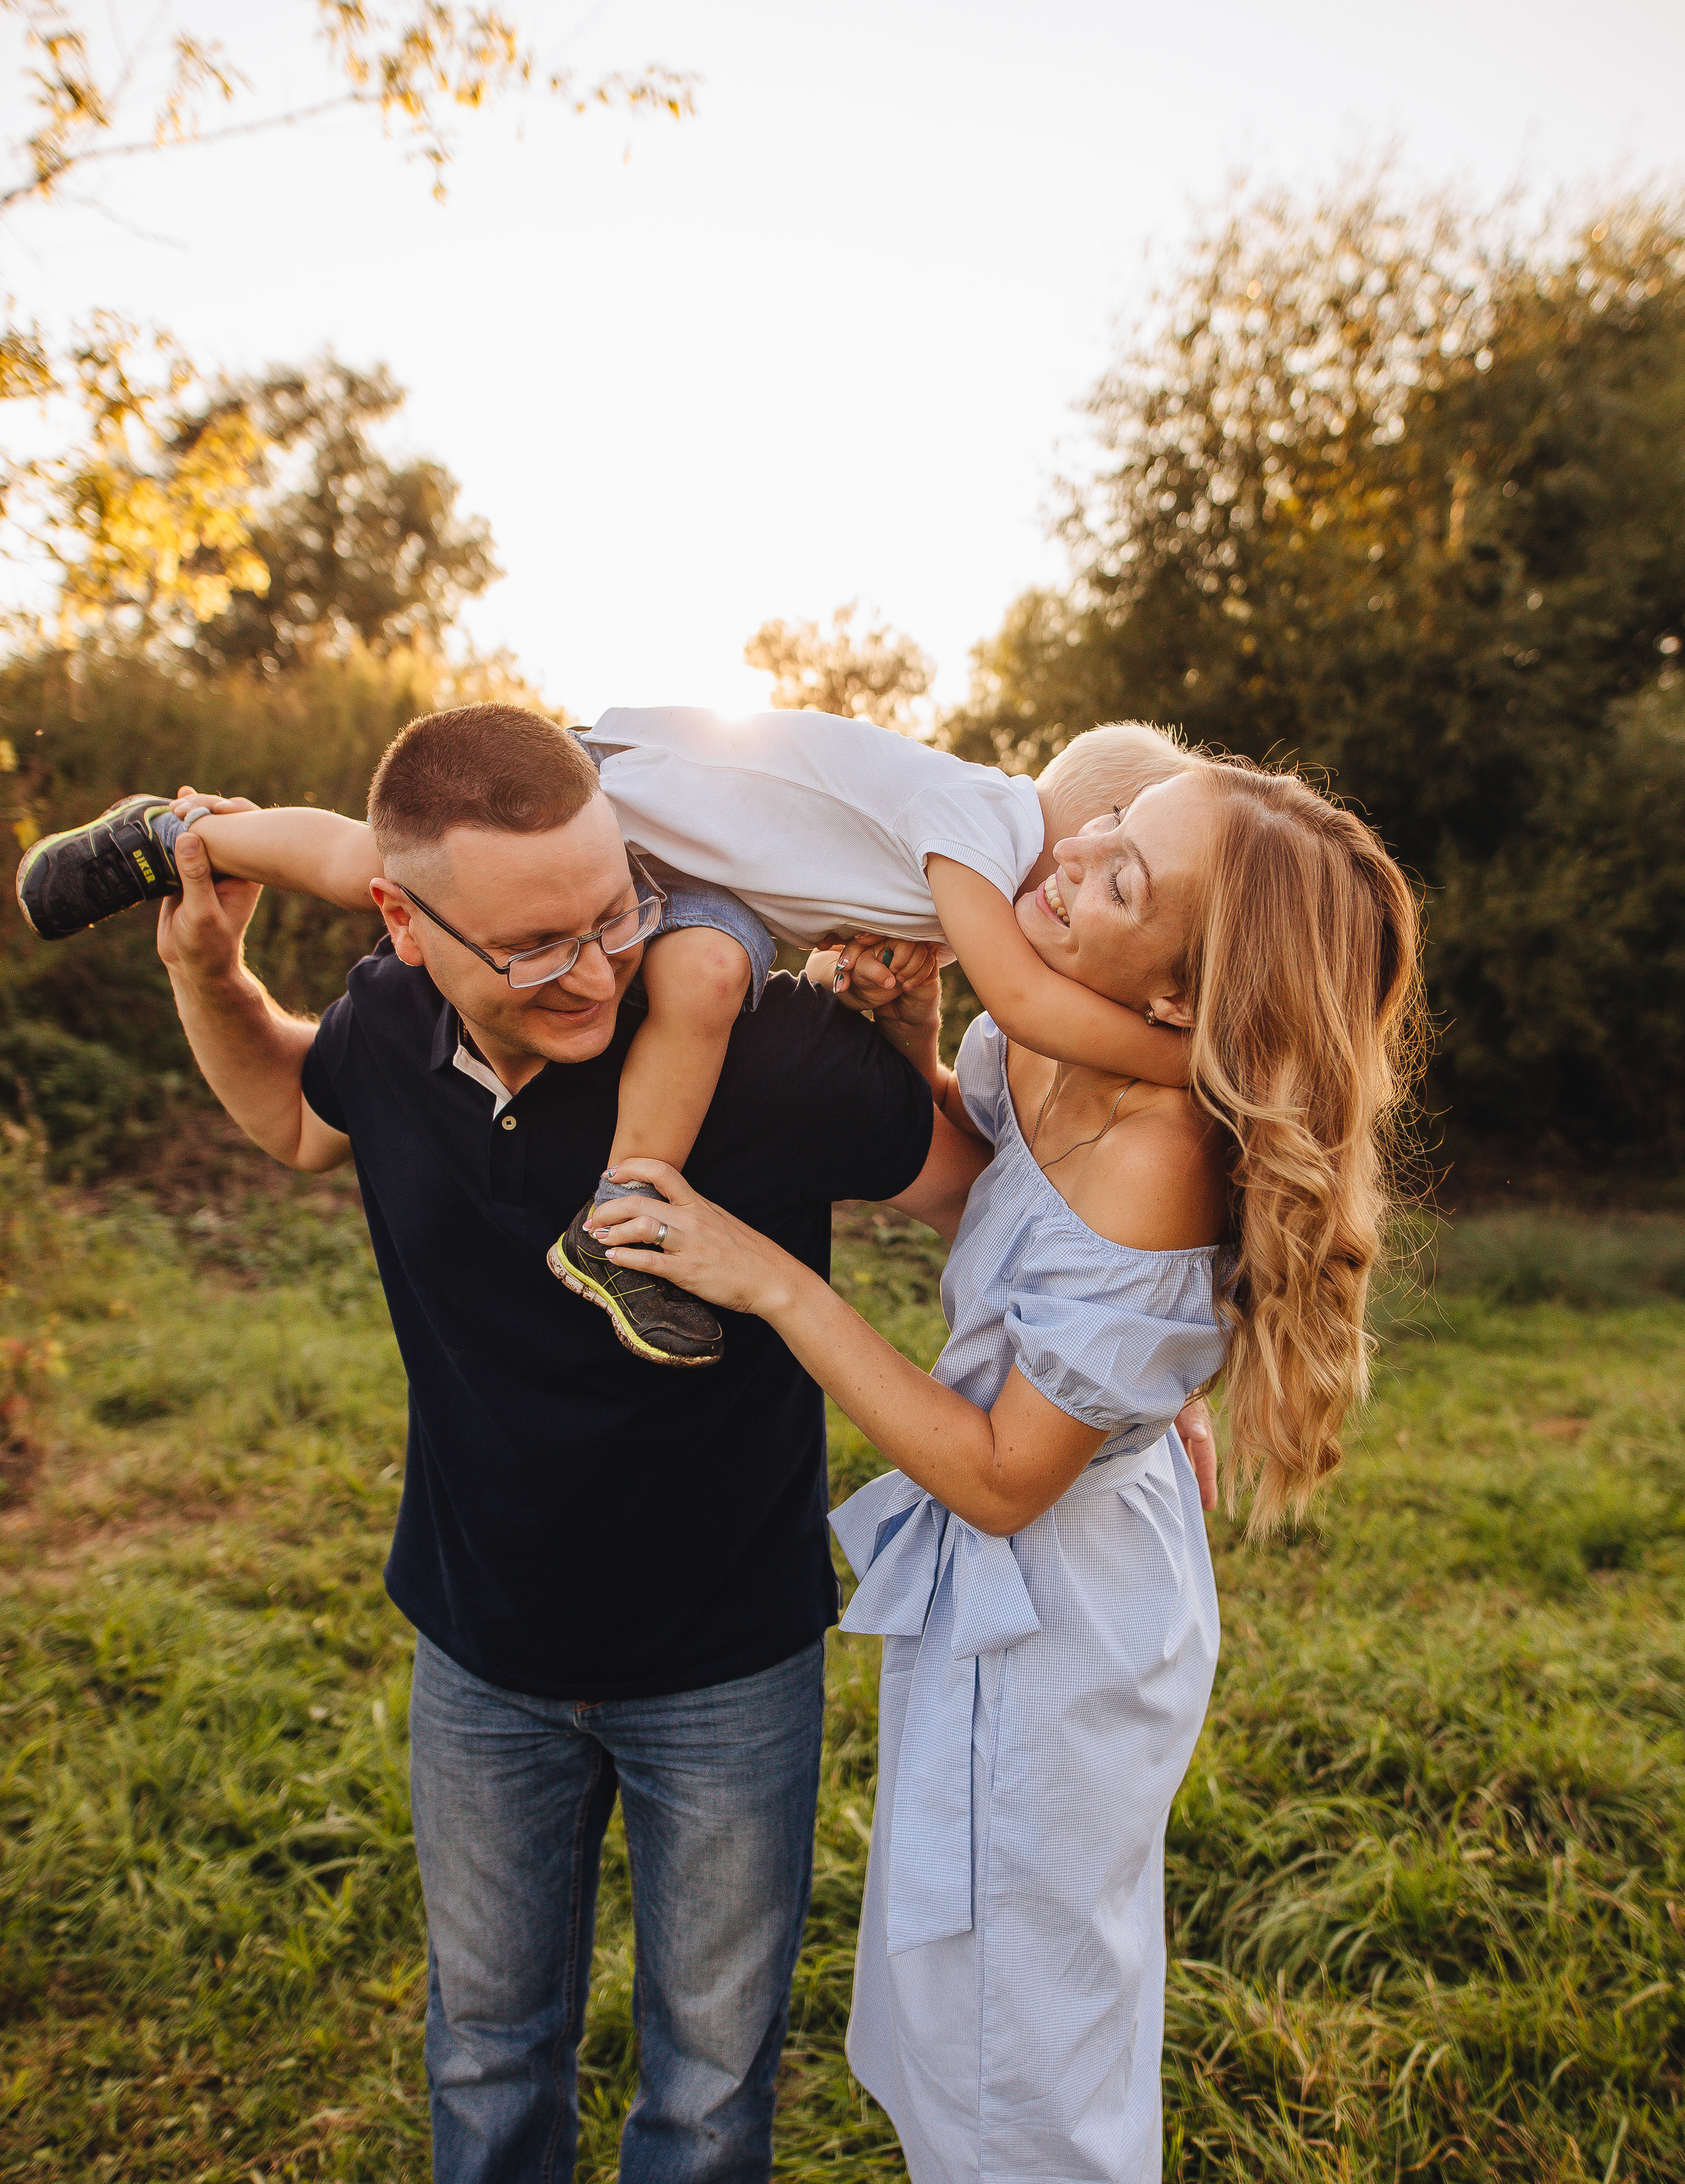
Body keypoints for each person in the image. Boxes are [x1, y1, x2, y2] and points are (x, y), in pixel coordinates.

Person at [129, 700, 1004, 2184]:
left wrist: (1123, 1369)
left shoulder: (769, 1053)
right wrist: (209, 966)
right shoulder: (389, 1027)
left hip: (730, 1664)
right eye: (531, 949)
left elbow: (986, 1201)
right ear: (404, 923)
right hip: (479, 1658)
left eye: (611, 917)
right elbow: (291, 1118)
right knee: (484, 2060)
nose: (592, 970)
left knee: (711, 2092)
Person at [585, 752, 1426, 2183]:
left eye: (1120, 878)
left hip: (1060, 1616)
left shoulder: (1162, 1151)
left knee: (1024, 2045)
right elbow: (992, 1196)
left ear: (1178, 997)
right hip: (997, 1587)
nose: (1068, 856)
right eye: (1104, 823)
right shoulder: (1050, 1032)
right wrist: (915, 1026)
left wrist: (772, 1282)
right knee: (958, 1999)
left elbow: (995, 1475)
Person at [14, 707, 1197, 1366]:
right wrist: (1207, 1061)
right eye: (1116, 879)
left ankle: (187, 833)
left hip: (685, 841)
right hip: (636, 810)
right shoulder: (980, 830)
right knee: (683, 963)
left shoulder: (971, 862)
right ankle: (176, 840)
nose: (1070, 926)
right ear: (1085, 835)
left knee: (683, 954)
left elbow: (984, 1171)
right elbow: (1032, 1007)